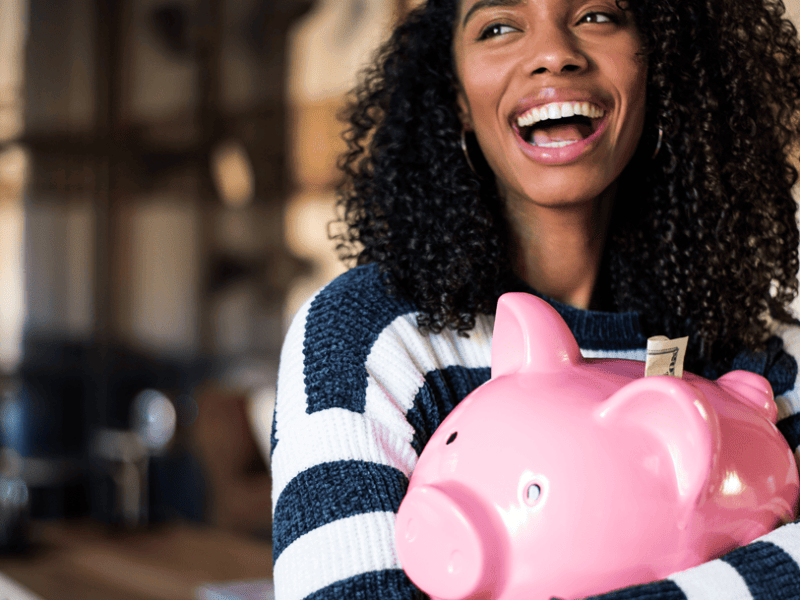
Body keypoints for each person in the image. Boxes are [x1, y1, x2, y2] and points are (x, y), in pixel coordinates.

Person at [268, 0, 800, 598]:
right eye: (498, 27)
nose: (553, 53)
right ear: (458, 99)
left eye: (597, 15)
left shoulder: (746, 345)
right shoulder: (368, 334)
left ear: (659, 65)